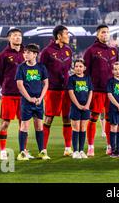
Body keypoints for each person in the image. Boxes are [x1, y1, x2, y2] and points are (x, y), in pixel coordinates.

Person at [83, 24, 119, 156]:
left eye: (107, 32)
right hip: (96, 90)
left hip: (111, 91)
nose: (105, 34)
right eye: (103, 32)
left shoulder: (114, 50)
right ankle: (91, 146)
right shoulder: (91, 51)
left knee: (110, 119)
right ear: (98, 35)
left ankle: (109, 146)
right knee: (93, 117)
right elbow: (85, 73)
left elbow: (117, 71)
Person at [40, 25, 73, 156]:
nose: (68, 36)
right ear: (59, 36)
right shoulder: (47, 51)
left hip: (65, 90)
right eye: (66, 34)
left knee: (67, 119)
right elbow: (42, 71)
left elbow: (68, 68)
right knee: (48, 119)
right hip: (52, 90)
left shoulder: (68, 50)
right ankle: (43, 149)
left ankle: (67, 148)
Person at [0, 28, 27, 161]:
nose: (18, 38)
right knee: (5, 123)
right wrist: (7, 84)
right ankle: (2, 150)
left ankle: (23, 150)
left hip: (24, 95)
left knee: (24, 123)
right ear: (9, 38)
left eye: (19, 35)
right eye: (15, 35)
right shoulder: (3, 55)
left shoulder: (27, 53)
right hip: (9, 94)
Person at [15, 43, 50, 161]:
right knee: (24, 126)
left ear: (35, 54)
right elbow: (19, 85)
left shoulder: (41, 67)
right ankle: (22, 152)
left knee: (39, 126)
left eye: (28, 52)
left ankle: (42, 152)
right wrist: (29, 98)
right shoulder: (21, 67)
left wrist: (41, 98)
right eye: (24, 52)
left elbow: (46, 83)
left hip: (39, 102)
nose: (25, 54)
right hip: (26, 102)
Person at [67, 59, 93, 159]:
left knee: (83, 128)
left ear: (84, 68)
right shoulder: (72, 79)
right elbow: (71, 92)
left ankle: (82, 150)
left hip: (86, 107)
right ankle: (75, 151)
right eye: (76, 66)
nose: (78, 68)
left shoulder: (88, 78)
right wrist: (78, 105)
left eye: (80, 66)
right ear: (74, 68)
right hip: (75, 107)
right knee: (76, 128)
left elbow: (90, 91)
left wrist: (87, 105)